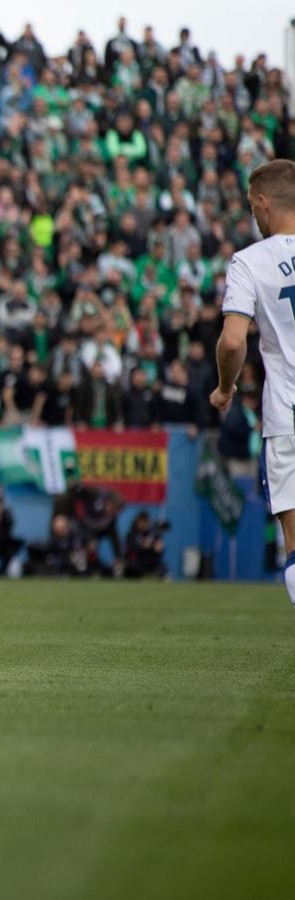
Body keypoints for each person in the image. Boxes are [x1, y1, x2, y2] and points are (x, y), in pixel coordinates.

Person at [214, 159, 295, 609]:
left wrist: (226, 388)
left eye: (251, 207)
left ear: (263, 203)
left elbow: (231, 342)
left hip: (288, 418)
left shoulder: (250, 261)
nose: (252, 216)